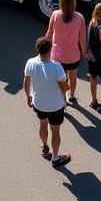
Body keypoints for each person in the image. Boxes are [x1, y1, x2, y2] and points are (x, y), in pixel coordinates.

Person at [24, 36, 71, 168]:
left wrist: (28, 96)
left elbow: (26, 81)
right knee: (55, 131)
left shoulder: (30, 62)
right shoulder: (56, 66)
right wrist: (65, 94)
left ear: (37, 49)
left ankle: (45, 147)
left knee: (43, 124)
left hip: (38, 103)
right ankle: (56, 158)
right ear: (50, 49)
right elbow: (64, 86)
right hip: (56, 106)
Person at [46, 0, 87, 106]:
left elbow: (49, 35)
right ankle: (72, 96)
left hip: (57, 57)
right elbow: (82, 39)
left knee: (61, 80)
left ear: (60, 3)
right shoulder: (79, 17)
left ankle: (63, 101)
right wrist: (84, 51)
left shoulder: (55, 14)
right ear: (74, 3)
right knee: (73, 77)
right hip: (73, 56)